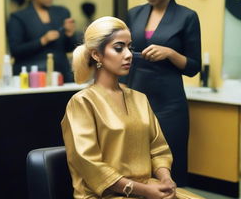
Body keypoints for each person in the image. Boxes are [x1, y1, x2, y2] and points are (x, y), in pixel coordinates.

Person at [61, 17, 205, 199]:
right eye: (119, 48)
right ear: (96, 54)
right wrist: (143, 190)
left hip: (148, 189)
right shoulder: (82, 103)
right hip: (106, 194)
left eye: (130, 47)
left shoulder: (139, 98)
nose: (128, 54)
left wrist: (165, 179)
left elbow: (158, 149)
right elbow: (90, 165)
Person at [122, 0, 201, 187]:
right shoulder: (134, 14)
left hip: (169, 105)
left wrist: (171, 53)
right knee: (136, 167)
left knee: (169, 169)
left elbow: (193, 67)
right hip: (136, 102)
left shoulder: (187, 17)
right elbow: (123, 55)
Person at [7, 0, 78, 82]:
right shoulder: (18, 17)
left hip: (61, 76)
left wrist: (70, 35)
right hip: (31, 78)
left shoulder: (62, 12)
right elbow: (15, 50)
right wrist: (43, 40)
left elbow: (70, 48)